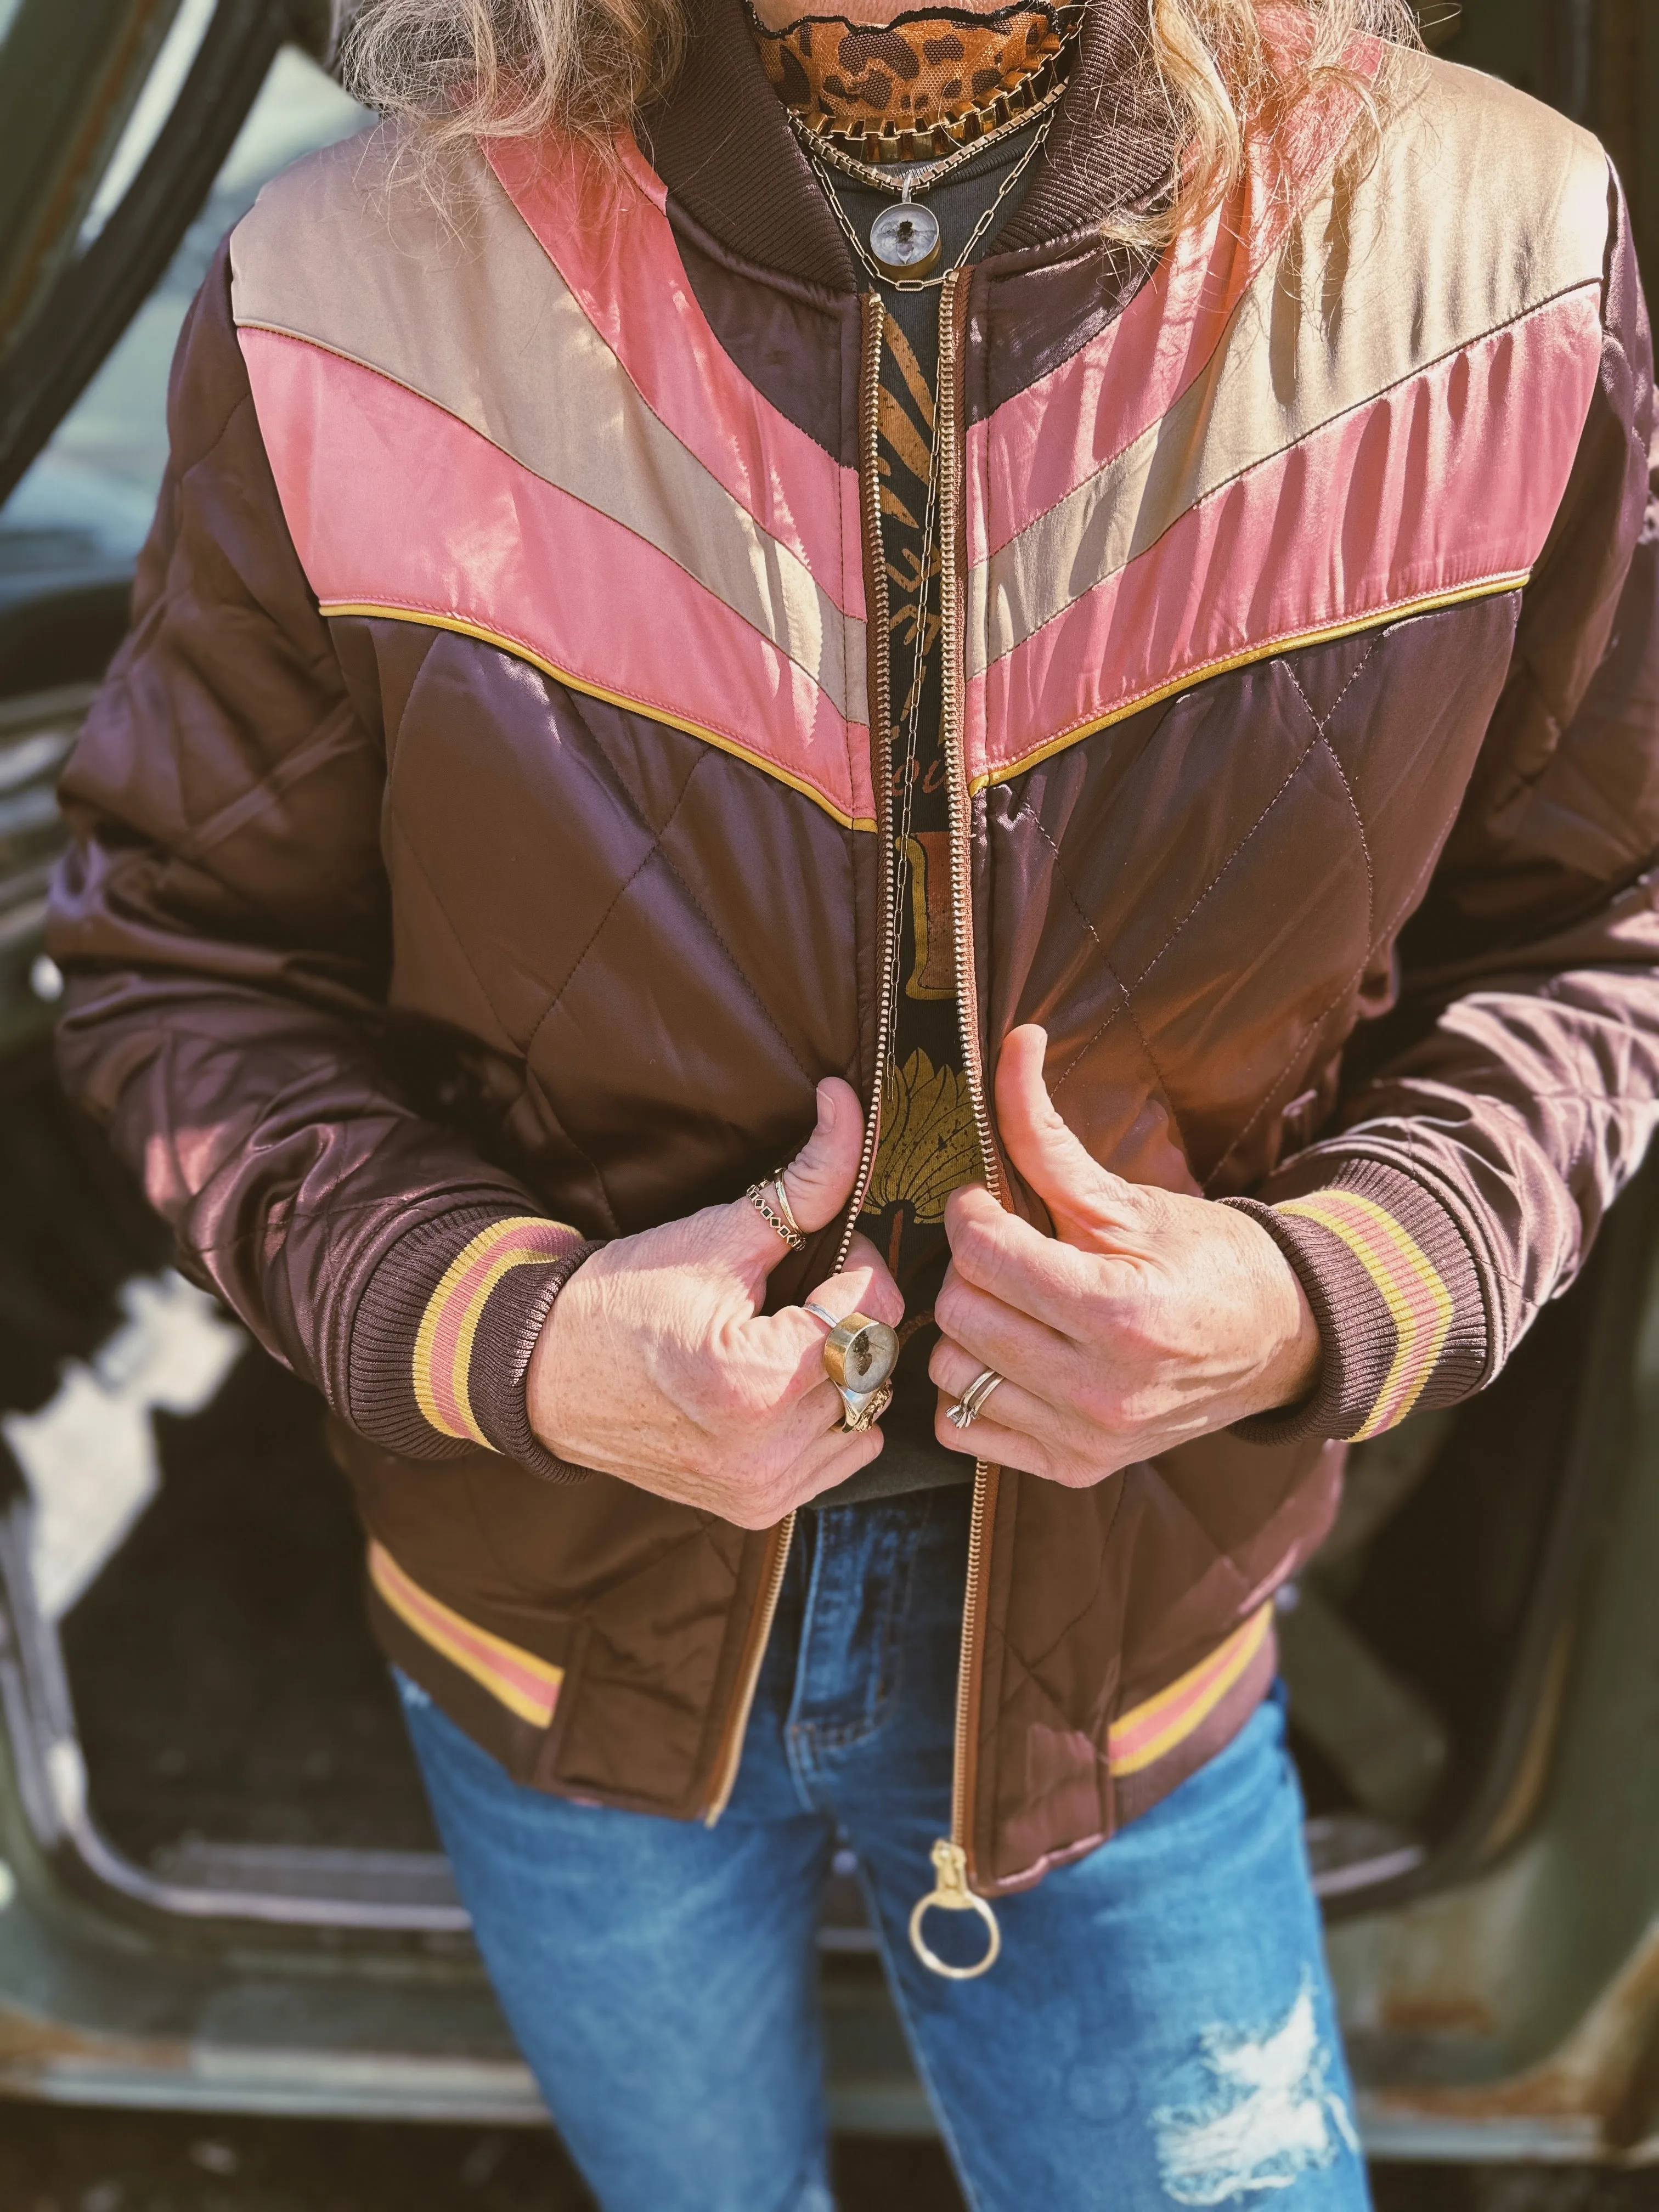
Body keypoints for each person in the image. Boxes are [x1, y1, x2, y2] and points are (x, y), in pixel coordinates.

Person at [46, 0, 1659, 2201]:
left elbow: (1600, 932)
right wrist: (513, 1341)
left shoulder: (1504, 247)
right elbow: (182, 972)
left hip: (1132, 1665)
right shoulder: (342, 282)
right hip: (547, 1638)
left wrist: (1309, 1297)